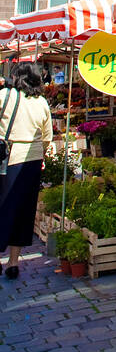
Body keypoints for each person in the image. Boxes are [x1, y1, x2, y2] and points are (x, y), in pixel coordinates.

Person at [0, 63, 53, 280]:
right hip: (32, 161)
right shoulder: (41, 102)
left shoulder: (4, 95)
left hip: (6, 160)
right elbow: (47, 136)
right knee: (23, 211)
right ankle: (13, 263)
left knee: (3, 207)